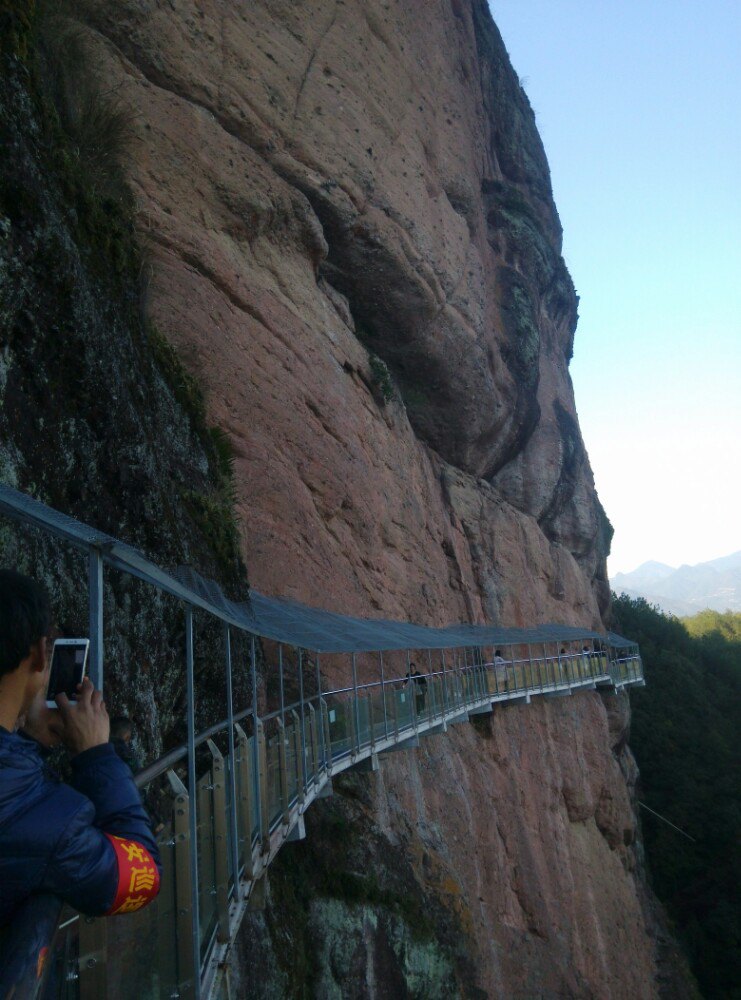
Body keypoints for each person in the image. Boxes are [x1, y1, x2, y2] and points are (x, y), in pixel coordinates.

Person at [0, 570, 161, 928]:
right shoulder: (46, 819)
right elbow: (144, 874)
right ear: (41, 655)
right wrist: (97, 754)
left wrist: (31, 742)